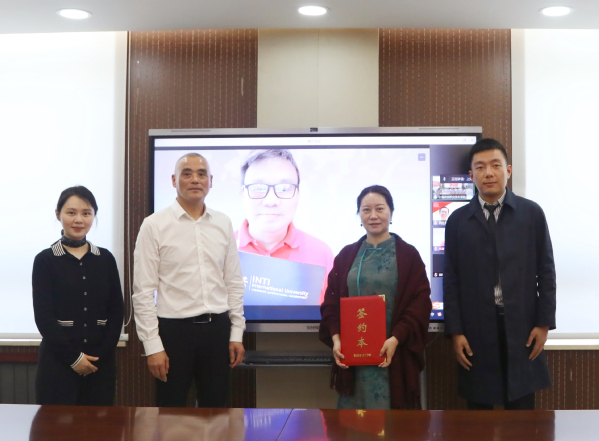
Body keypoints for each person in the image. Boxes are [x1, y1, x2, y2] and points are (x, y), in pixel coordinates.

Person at [444, 138, 556, 410]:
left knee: (522, 414)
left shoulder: (531, 214)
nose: (488, 173)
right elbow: (451, 280)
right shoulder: (457, 221)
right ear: (471, 175)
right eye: (480, 167)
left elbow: (546, 272)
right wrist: (455, 332)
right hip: (476, 327)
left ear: (508, 170)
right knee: (478, 413)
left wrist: (543, 324)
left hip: (522, 325)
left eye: (495, 165)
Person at [132, 153, 245, 407]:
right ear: (174, 180)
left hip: (216, 330)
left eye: (201, 174)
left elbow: (234, 282)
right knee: (170, 414)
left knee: (217, 413)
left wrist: (236, 332)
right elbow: (143, 292)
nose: (195, 179)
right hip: (174, 333)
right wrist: (153, 346)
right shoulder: (154, 225)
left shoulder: (223, 223)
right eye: (187, 173)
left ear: (210, 181)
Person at [319, 185, 432, 409]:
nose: (373, 215)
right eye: (366, 210)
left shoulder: (408, 256)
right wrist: (337, 340)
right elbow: (330, 304)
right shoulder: (346, 256)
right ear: (359, 215)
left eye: (380, 208)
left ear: (391, 212)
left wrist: (396, 338)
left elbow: (420, 303)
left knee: (393, 423)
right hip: (353, 359)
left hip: (394, 355)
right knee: (353, 423)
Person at [32, 186, 124, 405]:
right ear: (58, 214)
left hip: (99, 363)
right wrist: (74, 359)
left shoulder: (105, 259)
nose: (79, 220)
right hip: (58, 362)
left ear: (94, 215)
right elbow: (44, 317)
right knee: (55, 424)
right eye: (71, 212)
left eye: (86, 213)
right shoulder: (45, 260)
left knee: (99, 424)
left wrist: (99, 356)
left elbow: (116, 311)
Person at [237, 149, 334, 303]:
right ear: (243, 194)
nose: (271, 201)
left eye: (284, 188)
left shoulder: (322, 254)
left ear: (298, 194)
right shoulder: (217, 252)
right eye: (258, 188)